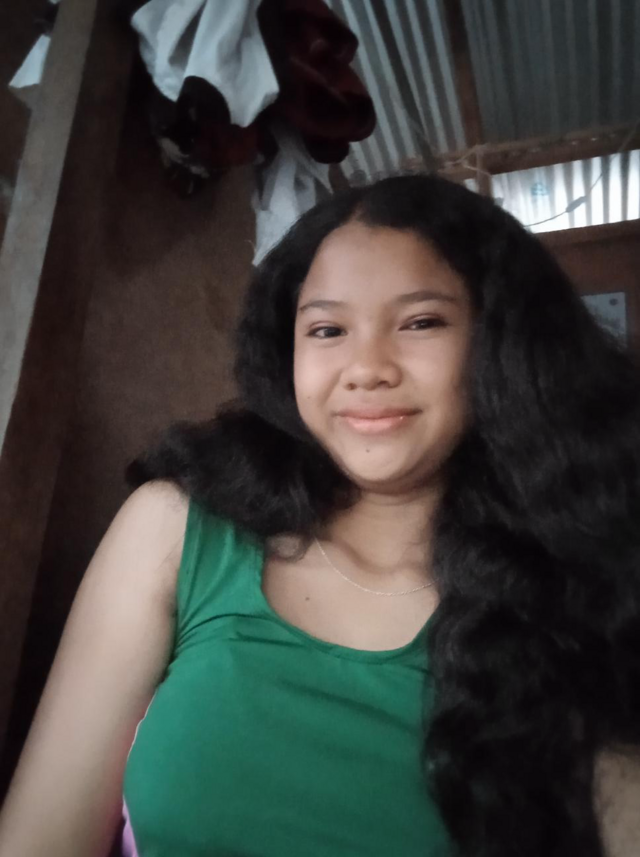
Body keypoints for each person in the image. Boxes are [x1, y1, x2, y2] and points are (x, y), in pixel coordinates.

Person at [1, 174, 639, 857]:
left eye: (421, 321)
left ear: (500, 342)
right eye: (327, 329)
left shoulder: (583, 580)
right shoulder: (176, 529)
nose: (366, 368)